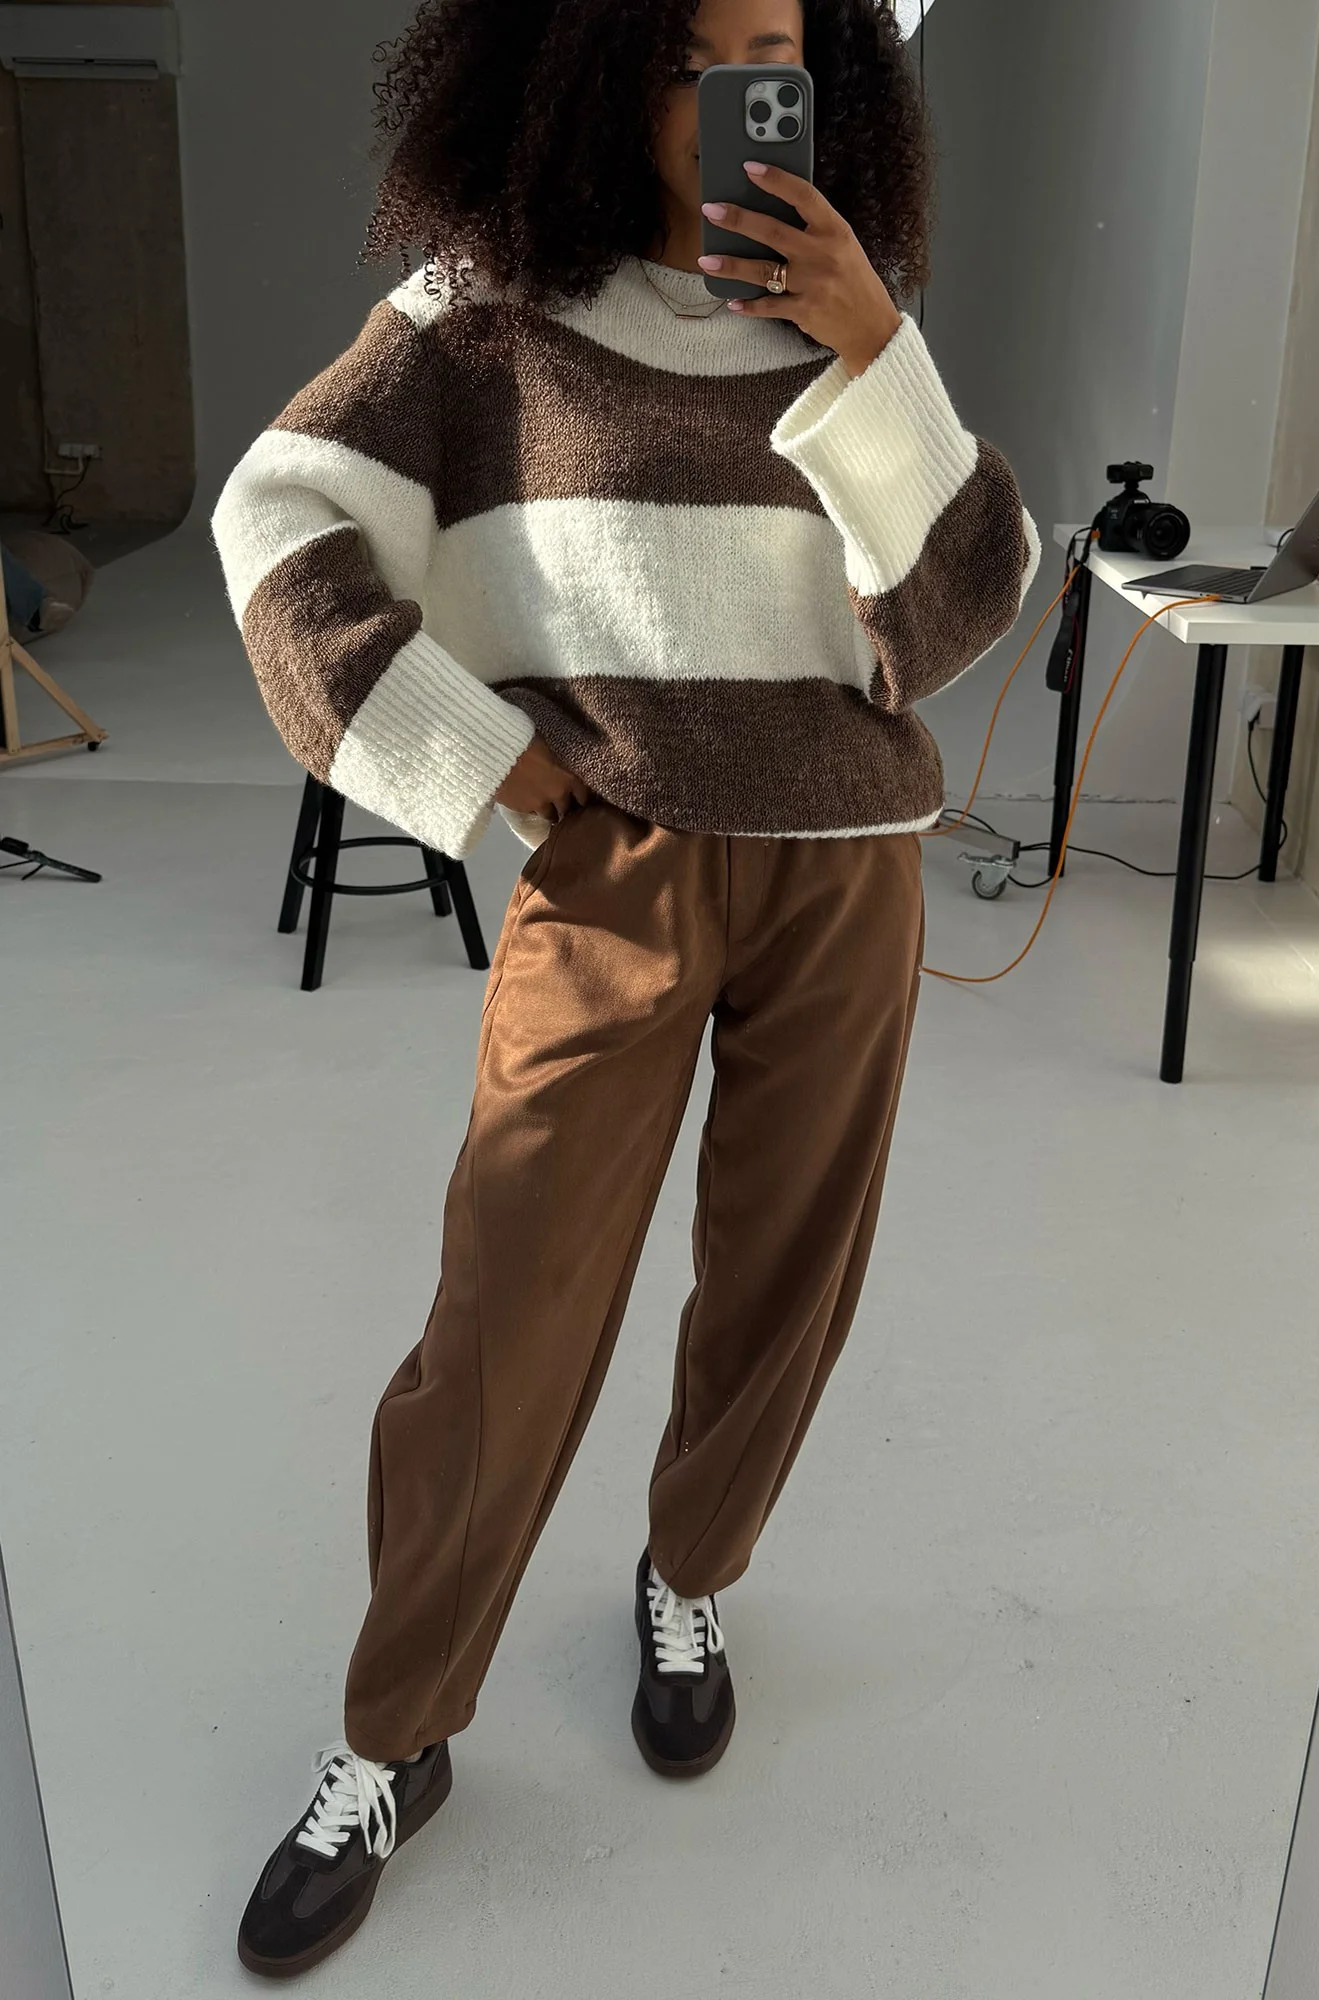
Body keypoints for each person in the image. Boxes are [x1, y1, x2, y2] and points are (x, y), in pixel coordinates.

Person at [212, 0, 1038, 1975]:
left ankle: (690, 1575)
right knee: (505, 1309)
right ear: (585, 72)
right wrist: (486, 762)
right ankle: (392, 1734)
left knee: (782, 1280)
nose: (731, 96)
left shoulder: (846, 317)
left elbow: (964, 601)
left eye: (769, 50)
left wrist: (874, 347)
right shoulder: (486, 313)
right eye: (685, 54)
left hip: (845, 865)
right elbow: (279, 518)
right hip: (618, 869)